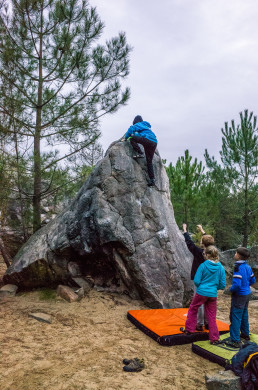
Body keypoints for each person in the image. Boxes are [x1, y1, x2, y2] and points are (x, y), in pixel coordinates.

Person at [181, 245, 226, 344]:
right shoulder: (221, 268)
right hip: (212, 294)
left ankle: (189, 329)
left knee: (193, 308)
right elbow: (223, 284)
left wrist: (202, 287)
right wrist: (214, 288)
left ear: (207, 255)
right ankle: (214, 338)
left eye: (204, 253)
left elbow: (197, 281)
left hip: (201, 292)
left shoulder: (203, 266)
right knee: (211, 316)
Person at [182, 223, 215, 331]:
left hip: (199, 280)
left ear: (203, 244)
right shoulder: (212, 252)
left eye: (201, 240)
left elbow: (189, 243)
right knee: (208, 302)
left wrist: (185, 230)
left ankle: (199, 324)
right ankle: (207, 323)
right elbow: (209, 242)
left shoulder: (199, 253)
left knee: (199, 302)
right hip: (210, 280)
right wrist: (202, 230)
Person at [229, 247, 256, 348]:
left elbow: (237, 284)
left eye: (236, 253)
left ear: (239, 255)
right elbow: (252, 281)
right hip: (247, 294)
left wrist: (230, 290)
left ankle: (235, 340)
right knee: (244, 313)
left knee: (235, 316)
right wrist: (246, 285)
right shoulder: (248, 267)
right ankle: (245, 334)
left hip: (239, 295)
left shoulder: (237, 267)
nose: (235, 254)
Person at [124, 115, 157, 187]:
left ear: (135, 121)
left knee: (132, 138)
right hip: (154, 142)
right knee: (149, 162)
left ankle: (140, 153)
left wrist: (125, 138)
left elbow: (131, 129)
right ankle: (152, 180)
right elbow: (140, 134)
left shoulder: (138, 124)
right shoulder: (146, 126)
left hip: (147, 140)